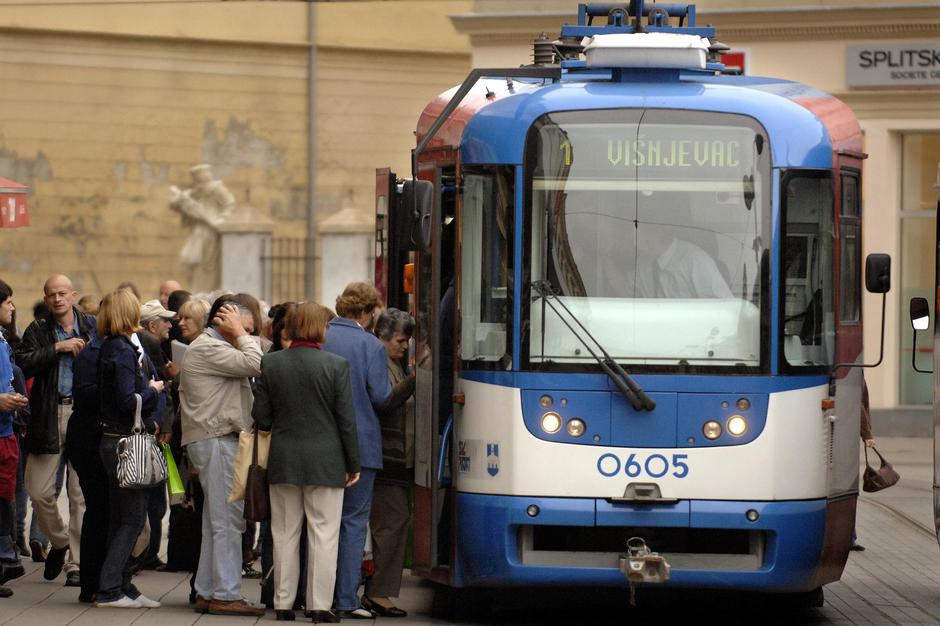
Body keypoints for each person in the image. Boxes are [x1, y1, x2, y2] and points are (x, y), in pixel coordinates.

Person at [253, 302, 360, 623]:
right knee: (324, 534)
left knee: (284, 533)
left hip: (283, 460)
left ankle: (283, 604)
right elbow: (346, 420)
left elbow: (262, 417)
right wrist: (352, 462)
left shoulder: (271, 364)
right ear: (320, 328)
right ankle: (318, 605)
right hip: (327, 462)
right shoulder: (336, 365)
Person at [179, 296, 263, 617]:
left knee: (215, 522)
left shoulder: (214, 348)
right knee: (228, 522)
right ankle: (226, 594)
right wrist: (241, 335)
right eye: (244, 328)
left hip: (215, 439)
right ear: (224, 322)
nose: (248, 336)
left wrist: (241, 335)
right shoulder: (210, 347)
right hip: (217, 440)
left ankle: (207, 589)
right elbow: (257, 363)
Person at [15, 274, 92, 586]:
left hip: (83, 414)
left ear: (72, 295)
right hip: (49, 413)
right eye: (51, 295)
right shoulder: (39, 329)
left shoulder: (91, 325)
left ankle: (76, 564)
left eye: (62, 293)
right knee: (38, 490)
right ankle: (59, 542)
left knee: (79, 494)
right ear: (46, 299)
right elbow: (23, 363)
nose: (58, 299)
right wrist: (56, 347)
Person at [322, 282, 391, 619]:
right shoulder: (371, 346)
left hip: (320, 444)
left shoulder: (320, 338)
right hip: (361, 446)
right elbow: (381, 397)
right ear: (366, 312)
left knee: (320, 522)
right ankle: (346, 598)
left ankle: (315, 594)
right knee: (352, 522)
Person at [94, 289, 164, 609]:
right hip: (125, 442)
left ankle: (120, 584)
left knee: (121, 518)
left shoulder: (111, 346)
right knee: (132, 519)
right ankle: (111, 588)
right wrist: (151, 390)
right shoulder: (121, 350)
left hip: (112, 440)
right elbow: (126, 400)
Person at [363, 309, 417, 618]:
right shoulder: (380, 363)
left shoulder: (393, 362)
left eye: (407, 340)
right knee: (391, 524)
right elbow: (385, 400)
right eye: (399, 340)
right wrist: (414, 379)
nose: (404, 345)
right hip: (387, 457)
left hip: (394, 457)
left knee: (393, 523)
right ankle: (378, 592)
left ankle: (379, 590)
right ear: (382, 337)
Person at [67, 331, 106, 604]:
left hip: (91, 438)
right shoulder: (94, 353)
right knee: (98, 510)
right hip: (90, 440)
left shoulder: (105, 349)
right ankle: (93, 582)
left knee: (98, 510)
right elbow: (85, 393)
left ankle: (97, 580)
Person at [0, 280, 27, 597]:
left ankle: (6, 558)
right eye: (7, 301)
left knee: (5, 498)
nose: (11, 306)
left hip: (6, 430)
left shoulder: (4, 341)